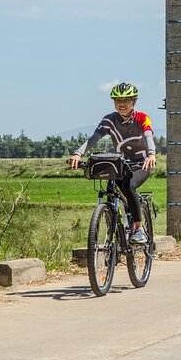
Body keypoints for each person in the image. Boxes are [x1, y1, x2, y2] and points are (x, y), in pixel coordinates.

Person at [67, 82, 156, 244]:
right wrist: (78, 154)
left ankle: (139, 229)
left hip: (141, 164)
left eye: (126, 101)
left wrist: (151, 154)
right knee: (110, 188)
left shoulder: (142, 118)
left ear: (134, 102)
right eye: (117, 101)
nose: (121, 105)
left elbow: (148, 135)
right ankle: (114, 233)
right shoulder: (109, 120)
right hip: (121, 164)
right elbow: (94, 138)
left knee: (128, 186)